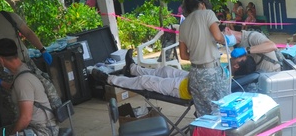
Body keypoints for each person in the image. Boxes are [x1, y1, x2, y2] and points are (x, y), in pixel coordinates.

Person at [0, 0, 53, 125]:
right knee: (15, 105)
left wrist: (42, 49)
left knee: (43, 92)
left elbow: (28, 33)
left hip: (24, 63)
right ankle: (22, 129)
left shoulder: (9, 17)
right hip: (4, 71)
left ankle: (47, 124)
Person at [90, 49, 256, 99]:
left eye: (240, 58)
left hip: (183, 88)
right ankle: (132, 69)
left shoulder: (224, 78)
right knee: (164, 70)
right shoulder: (227, 69)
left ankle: (110, 79)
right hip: (190, 78)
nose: (238, 55)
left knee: (145, 81)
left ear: (237, 65)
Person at [0, 38, 58, 136]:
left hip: (42, 130)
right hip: (44, 125)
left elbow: (25, 118)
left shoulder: (22, 80)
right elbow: (20, 88)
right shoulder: (25, 69)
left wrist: (12, 134)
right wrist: (1, 83)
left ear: (1, 60)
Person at [178, 0, 230, 117]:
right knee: (221, 112)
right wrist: (227, 39)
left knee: (203, 115)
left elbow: (184, 56)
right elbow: (218, 37)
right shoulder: (208, 14)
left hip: (195, 74)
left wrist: (198, 54)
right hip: (210, 72)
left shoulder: (183, 25)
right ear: (201, 5)